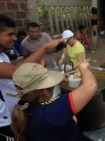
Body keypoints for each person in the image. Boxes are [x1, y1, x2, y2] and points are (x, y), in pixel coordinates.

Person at [0, 13, 65, 141]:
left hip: (14, 110)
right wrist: (44, 48)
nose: (14, 38)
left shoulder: (3, 55)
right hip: (3, 121)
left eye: (14, 34)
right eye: (9, 34)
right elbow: (17, 72)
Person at [10, 62, 97, 141]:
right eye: (51, 84)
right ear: (44, 92)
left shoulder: (24, 105)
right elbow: (90, 85)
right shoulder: (50, 114)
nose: (53, 85)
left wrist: (59, 78)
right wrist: (83, 68)